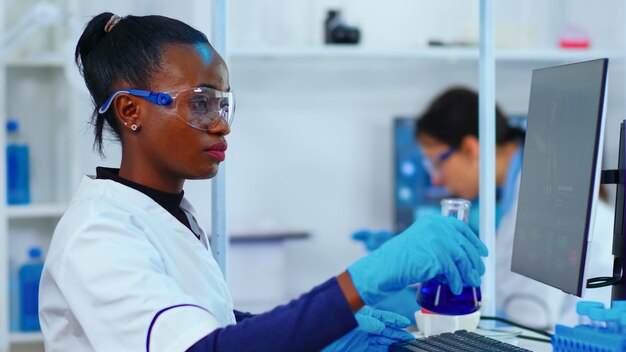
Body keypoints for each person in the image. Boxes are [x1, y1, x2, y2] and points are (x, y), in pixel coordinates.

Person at [38, 13, 488, 352]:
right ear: (131, 111)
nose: (221, 125)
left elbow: (204, 322)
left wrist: (327, 332)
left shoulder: (166, 213)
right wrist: (361, 283)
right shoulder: (96, 235)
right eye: (200, 104)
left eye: (224, 105)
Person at [415, 87, 613, 328]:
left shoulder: (541, 197)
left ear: (470, 148)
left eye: (436, 162)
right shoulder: (521, 184)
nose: (436, 179)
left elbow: (530, 313)